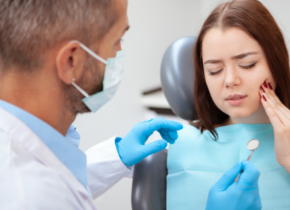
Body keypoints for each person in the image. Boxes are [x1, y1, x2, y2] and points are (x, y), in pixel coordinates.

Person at [0, 0, 261, 209]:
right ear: (71, 62)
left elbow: (61, 179)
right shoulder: (28, 196)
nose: (119, 54)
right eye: (116, 41)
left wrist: (117, 156)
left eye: (248, 64)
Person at [169, 0, 290, 209]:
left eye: (248, 64)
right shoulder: (177, 146)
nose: (230, 80)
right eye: (214, 70)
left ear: (275, 62)